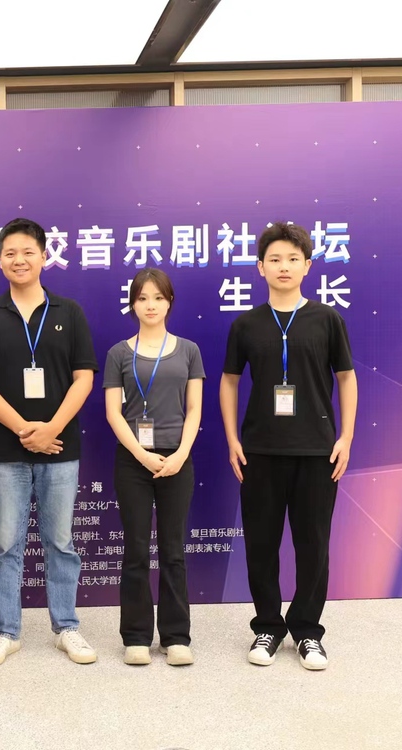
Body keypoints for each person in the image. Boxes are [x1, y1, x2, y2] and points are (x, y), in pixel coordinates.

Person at [219, 222, 357, 671]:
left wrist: (346, 437)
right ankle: (267, 626)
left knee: (313, 545)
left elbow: (347, 378)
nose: (284, 266)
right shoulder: (246, 324)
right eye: (275, 259)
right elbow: (229, 381)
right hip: (259, 451)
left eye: (293, 259)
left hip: (317, 451)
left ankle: (307, 631)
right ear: (260, 267)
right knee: (261, 545)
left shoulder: (327, 319)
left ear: (307, 266)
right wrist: (232, 438)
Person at [0, 217, 99, 667]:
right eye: (10, 253)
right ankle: (6, 632)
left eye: (27, 252)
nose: (18, 260)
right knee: (6, 544)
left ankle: (67, 627)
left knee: (60, 541)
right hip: (5, 451)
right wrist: (26, 430)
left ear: (44, 256)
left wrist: (50, 429)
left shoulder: (69, 312)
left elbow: (83, 379)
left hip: (60, 448)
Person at [104, 268, 203, 667]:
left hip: (178, 458)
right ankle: (136, 637)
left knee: (173, 550)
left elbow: (194, 409)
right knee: (136, 549)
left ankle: (176, 637)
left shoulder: (188, 350)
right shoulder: (118, 353)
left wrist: (180, 454)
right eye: (143, 298)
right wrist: (142, 455)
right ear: (133, 303)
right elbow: (113, 413)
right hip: (133, 460)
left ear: (169, 302)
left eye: (158, 298)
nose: (150, 305)